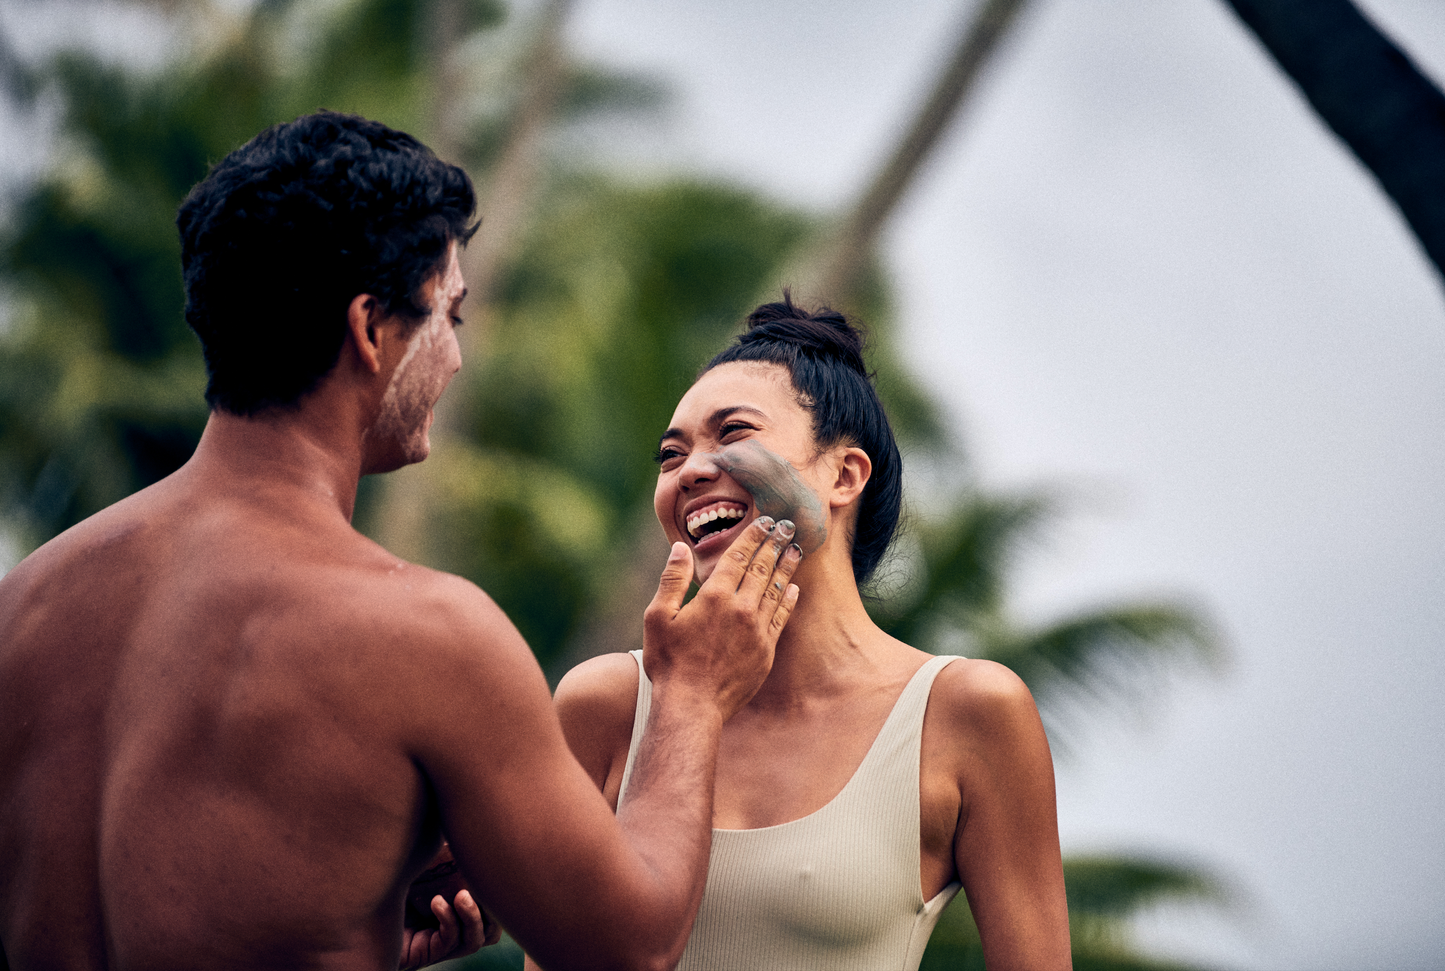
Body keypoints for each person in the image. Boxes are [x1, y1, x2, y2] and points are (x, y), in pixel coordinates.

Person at [0, 111, 802, 971]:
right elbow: (631, 945)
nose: (454, 357)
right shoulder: (422, 633)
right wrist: (690, 695)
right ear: (370, 329)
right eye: (448, 315)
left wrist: (362, 929)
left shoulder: (26, 604)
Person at [533, 295, 1072, 970]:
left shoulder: (967, 712)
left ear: (844, 474)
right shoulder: (605, 702)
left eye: (732, 434)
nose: (691, 469)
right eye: (670, 455)